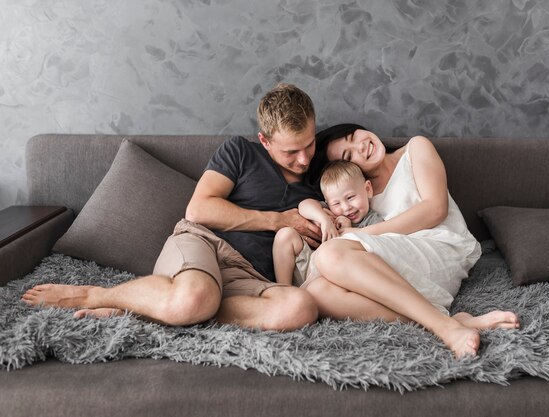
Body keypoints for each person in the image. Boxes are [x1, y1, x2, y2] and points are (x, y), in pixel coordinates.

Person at [21, 83, 324, 331]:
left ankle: (152, 308)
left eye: (309, 144)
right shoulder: (240, 152)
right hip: (203, 243)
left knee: (301, 307)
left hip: (249, 277)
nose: (303, 159)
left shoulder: (318, 183)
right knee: (197, 295)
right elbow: (199, 210)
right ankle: (93, 295)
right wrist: (278, 221)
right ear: (265, 140)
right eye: (291, 151)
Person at [302, 124, 520, 358]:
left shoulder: (415, 148)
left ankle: (444, 328)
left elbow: (435, 209)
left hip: (440, 247)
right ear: (344, 168)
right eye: (349, 155)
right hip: (393, 267)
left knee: (330, 255)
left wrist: (362, 235)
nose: (360, 146)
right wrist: (324, 220)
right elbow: (308, 204)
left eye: (354, 136)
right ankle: (447, 321)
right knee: (317, 292)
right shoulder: (355, 194)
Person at [273, 160, 383, 287]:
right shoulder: (330, 212)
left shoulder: (373, 221)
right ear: (328, 202)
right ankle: (283, 289)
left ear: (368, 189)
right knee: (285, 234)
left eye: (350, 197)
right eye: (336, 203)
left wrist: (347, 233)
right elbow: (304, 205)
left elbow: (378, 252)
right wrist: (323, 219)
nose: (346, 207)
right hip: (310, 268)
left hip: (335, 280)